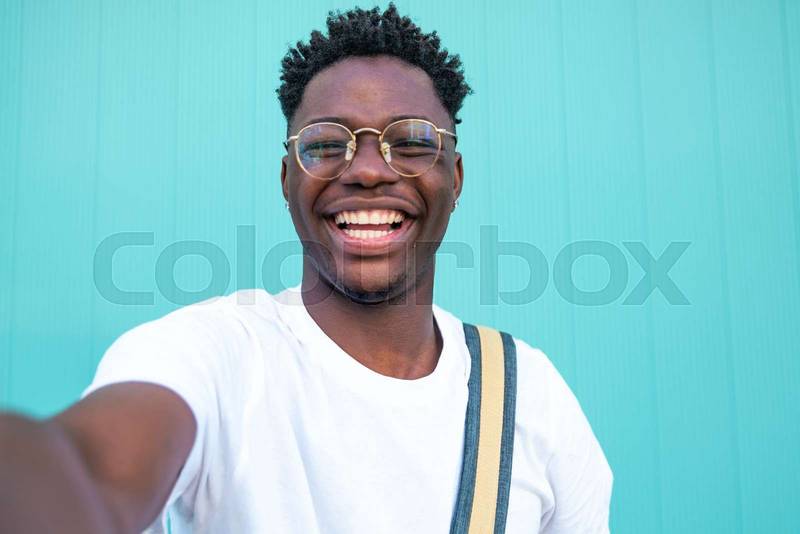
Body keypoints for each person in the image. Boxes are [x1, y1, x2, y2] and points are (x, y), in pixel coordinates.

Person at [0, 4, 612, 533]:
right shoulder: (214, 353)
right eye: (324, 143)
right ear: (288, 179)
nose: (369, 169)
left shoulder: (531, 397)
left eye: (412, 141)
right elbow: (94, 472)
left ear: (454, 178)